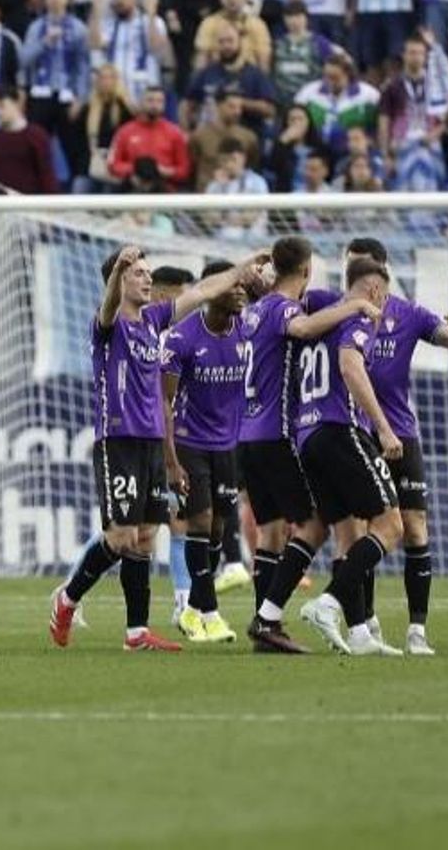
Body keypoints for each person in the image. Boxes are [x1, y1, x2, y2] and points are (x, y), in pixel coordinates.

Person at [48, 246, 264, 652]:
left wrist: (244, 266)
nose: (148, 279)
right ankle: (68, 597)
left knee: (146, 538)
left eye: (148, 273)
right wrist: (118, 271)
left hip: (150, 443)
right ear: (119, 281)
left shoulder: (154, 320)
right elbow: (110, 301)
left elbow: (202, 291)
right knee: (121, 537)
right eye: (139, 273)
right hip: (119, 441)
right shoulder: (107, 325)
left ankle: (136, 633)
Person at [236, 236, 377, 654]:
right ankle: (270, 619)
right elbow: (301, 327)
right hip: (277, 434)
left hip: (247, 437)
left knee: (270, 531)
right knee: (317, 521)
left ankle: (267, 625)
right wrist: (353, 305)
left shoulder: (254, 310)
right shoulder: (282, 309)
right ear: (306, 270)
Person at [292, 257, 406, 656]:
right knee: (392, 526)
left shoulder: (324, 310)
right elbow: (350, 367)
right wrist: (385, 428)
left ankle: (359, 633)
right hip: (340, 428)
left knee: (349, 533)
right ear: (375, 290)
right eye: (385, 295)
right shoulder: (359, 317)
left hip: (305, 433)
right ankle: (328, 603)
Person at [161, 259, 249, 643]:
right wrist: (171, 461)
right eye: (234, 287)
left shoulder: (246, 329)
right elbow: (164, 403)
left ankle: (193, 611)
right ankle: (210, 614)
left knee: (217, 529)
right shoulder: (181, 338)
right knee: (199, 523)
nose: (241, 293)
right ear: (213, 292)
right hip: (189, 443)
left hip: (228, 445)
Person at [21, 0, 91, 185]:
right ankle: (35, 186)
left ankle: (76, 190)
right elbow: (24, 60)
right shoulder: (36, 27)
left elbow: (84, 66)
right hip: (40, 94)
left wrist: (81, 97)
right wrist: (44, 43)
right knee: (35, 144)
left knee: (74, 146)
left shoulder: (79, 28)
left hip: (68, 96)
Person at [377, 35, 448, 193]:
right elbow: (384, 122)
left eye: (419, 53)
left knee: (432, 192)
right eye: (411, 52)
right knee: (404, 193)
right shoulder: (392, 86)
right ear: (403, 55)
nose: (415, 57)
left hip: (430, 144)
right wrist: (385, 155)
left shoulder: (436, 83)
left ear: (425, 57)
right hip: (402, 146)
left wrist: (435, 134)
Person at [87, 0, 168, 104]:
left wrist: (151, 13)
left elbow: (156, 47)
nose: (118, 1)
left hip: (143, 92)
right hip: (115, 92)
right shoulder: (108, 24)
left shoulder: (153, 22)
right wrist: (96, 11)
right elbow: (95, 45)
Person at [0, 86, 58, 194]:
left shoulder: (37, 136)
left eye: (2, 106)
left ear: (16, 104)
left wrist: (50, 204)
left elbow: (46, 174)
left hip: (29, 204)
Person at [106, 85, 191, 188]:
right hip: (132, 188)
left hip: (164, 190)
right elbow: (112, 164)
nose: (155, 105)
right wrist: (136, 169)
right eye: (150, 100)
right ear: (141, 102)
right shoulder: (125, 132)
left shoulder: (175, 133)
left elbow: (184, 170)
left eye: (159, 101)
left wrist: (162, 171)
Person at [190, 92, 261, 188]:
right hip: (206, 195)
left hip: (239, 195)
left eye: (240, 107)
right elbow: (194, 161)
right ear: (218, 106)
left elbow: (252, 165)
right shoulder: (199, 135)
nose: (237, 112)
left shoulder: (249, 137)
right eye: (232, 107)